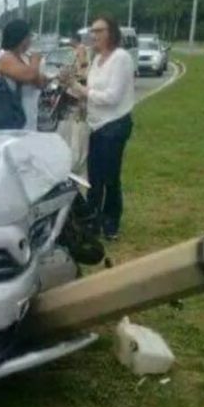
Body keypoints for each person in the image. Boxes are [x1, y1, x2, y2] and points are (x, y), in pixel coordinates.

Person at [65, 14, 136, 240]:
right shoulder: (96, 59)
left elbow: (112, 97)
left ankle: (111, 221)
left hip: (115, 125)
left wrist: (81, 89)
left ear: (111, 33)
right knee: (93, 177)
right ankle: (92, 221)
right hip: (96, 126)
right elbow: (91, 89)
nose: (94, 35)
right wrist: (71, 88)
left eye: (99, 31)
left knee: (110, 177)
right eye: (92, 31)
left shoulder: (121, 58)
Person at [0, 19, 46, 129]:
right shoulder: (5, 57)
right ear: (22, 38)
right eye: (29, 36)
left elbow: (40, 83)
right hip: (9, 124)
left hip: (26, 121)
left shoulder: (23, 57)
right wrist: (35, 60)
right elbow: (29, 75)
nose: (31, 40)